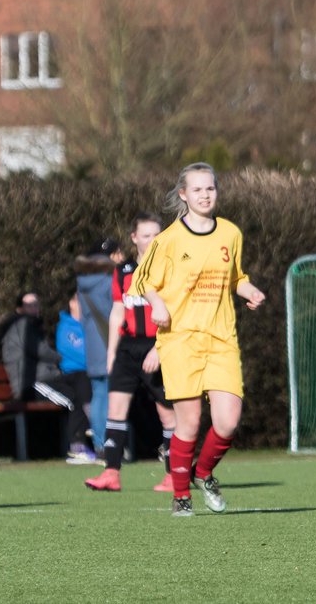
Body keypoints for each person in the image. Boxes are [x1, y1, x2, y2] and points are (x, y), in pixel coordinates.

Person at [130, 163, 265, 517]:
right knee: (188, 422)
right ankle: (180, 497)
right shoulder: (168, 240)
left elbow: (236, 276)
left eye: (211, 188)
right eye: (199, 189)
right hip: (180, 341)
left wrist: (248, 289)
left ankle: (203, 473)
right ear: (184, 195)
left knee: (227, 422)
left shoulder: (231, 234)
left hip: (221, 339)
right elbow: (143, 282)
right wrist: (157, 305)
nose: (206, 194)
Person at [85, 213, 177, 493]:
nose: (152, 241)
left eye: (156, 235)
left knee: (168, 416)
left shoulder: (170, 270)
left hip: (157, 346)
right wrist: (112, 353)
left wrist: (160, 350)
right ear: (134, 238)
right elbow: (117, 311)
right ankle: (111, 473)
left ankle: (174, 476)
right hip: (128, 348)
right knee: (115, 410)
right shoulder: (123, 270)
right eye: (146, 235)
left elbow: (177, 313)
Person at [0, 292, 92, 461]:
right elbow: (39, 350)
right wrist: (62, 358)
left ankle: (94, 430)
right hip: (31, 384)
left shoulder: (33, 327)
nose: (33, 308)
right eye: (29, 305)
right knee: (72, 399)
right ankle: (77, 447)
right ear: (19, 309)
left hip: (47, 379)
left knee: (81, 381)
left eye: (36, 304)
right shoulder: (21, 326)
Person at [76, 239, 117, 455]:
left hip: (92, 342)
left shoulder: (82, 280)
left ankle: (101, 443)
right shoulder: (111, 278)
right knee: (113, 394)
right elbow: (114, 310)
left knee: (98, 393)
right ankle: (113, 444)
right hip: (109, 339)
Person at [56, 293, 98, 463]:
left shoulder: (92, 324)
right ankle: (80, 443)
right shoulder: (65, 326)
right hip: (74, 374)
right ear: (71, 303)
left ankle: (105, 439)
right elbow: (75, 352)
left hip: (92, 373)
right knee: (81, 391)